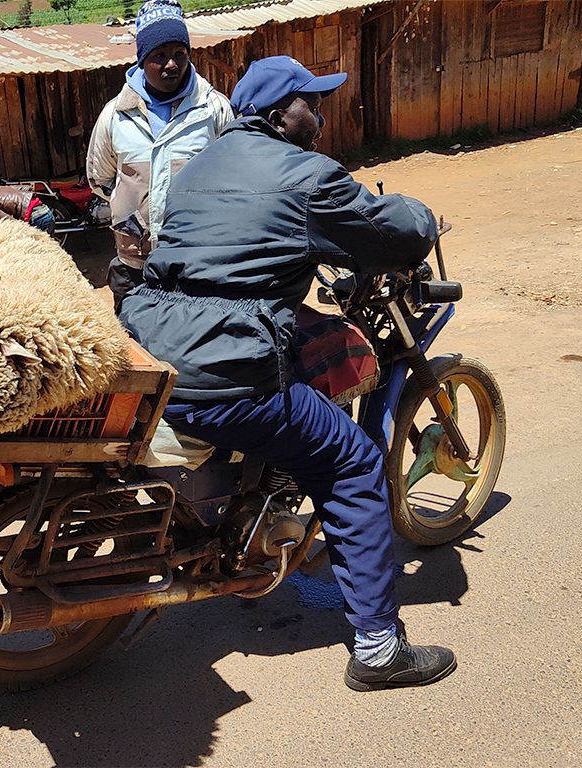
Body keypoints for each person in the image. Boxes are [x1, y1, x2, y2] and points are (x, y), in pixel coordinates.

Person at [118, 56, 456, 691]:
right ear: (278, 116)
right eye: (311, 104)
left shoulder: (200, 166)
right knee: (353, 463)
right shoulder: (308, 177)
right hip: (223, 365)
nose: (321, 116)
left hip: (153, 347)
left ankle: (246, 534)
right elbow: (388, 226)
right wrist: (424, 216)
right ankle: (380, 649)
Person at [86, 0, 233, 311]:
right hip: (134, 264)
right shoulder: (116, 115)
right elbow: (100, 179)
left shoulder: (213, 109)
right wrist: (135, 208)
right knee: (134, 347)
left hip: (195, 261)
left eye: (179, 53)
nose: (171, 64)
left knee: (191, 346)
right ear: (142, 60)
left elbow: (232, 179)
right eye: (160, 55)